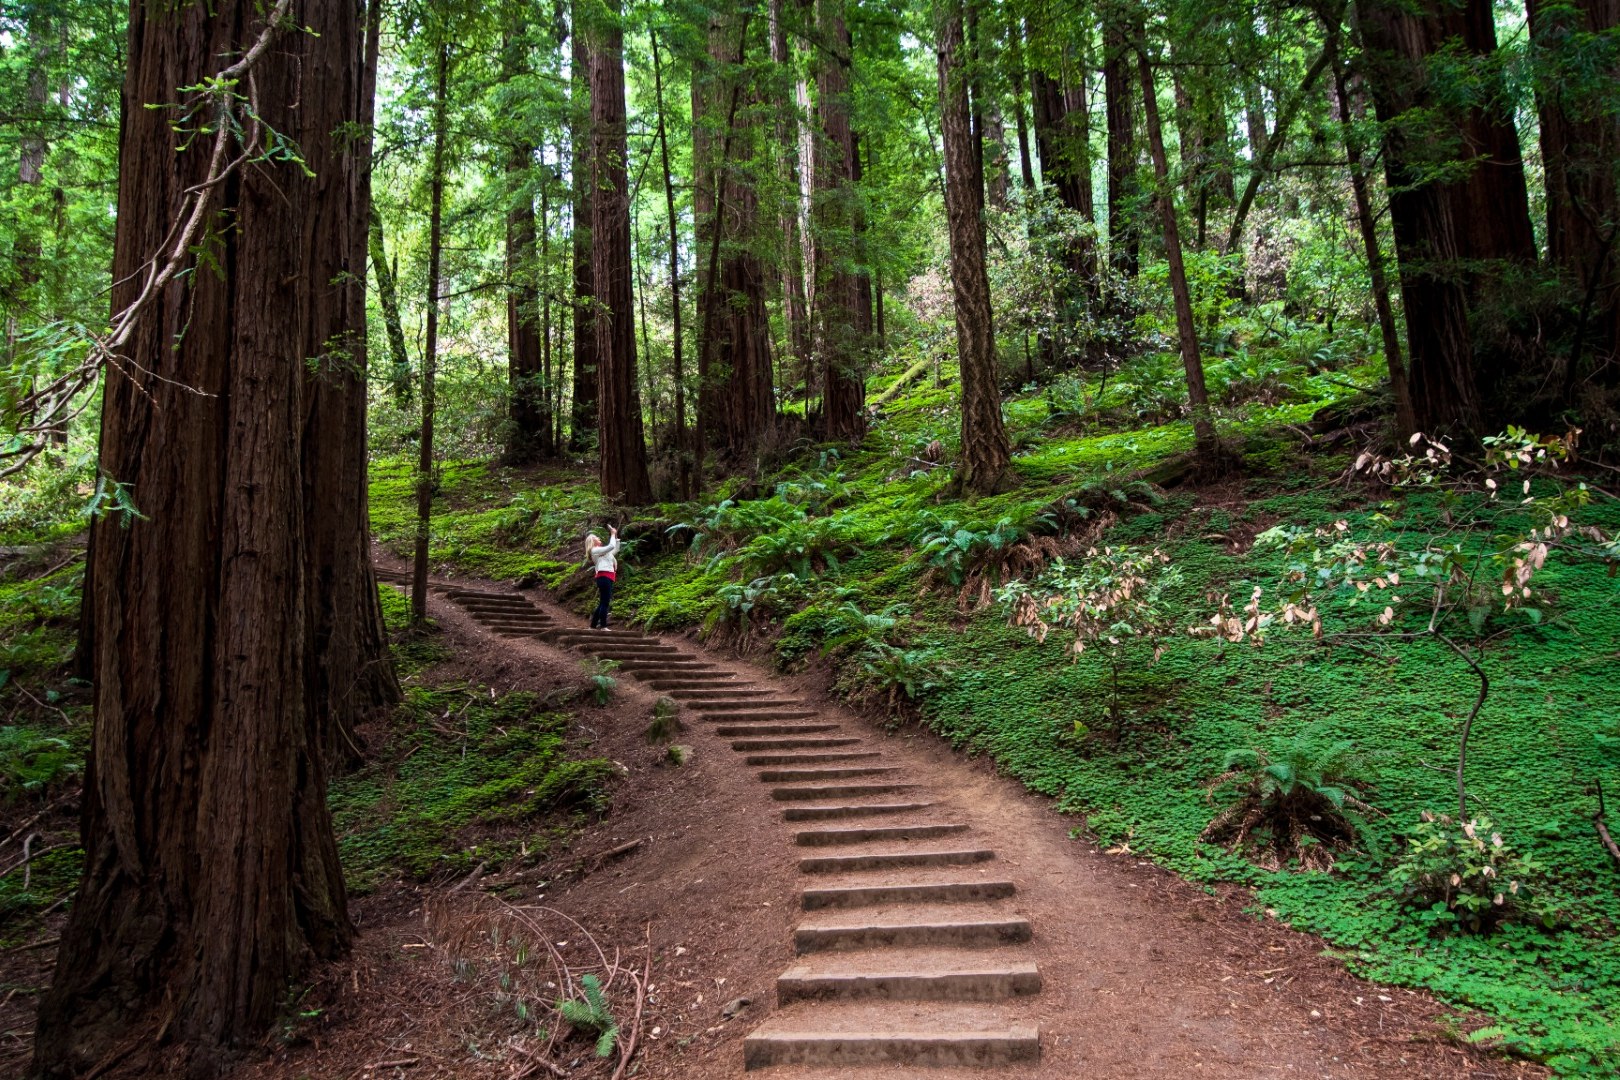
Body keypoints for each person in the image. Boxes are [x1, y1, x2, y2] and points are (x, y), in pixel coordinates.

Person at [585, 525, 620, 629]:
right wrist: (612, 534)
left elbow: (614, 550)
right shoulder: (594, 550)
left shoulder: (602, 551)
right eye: (597, 537)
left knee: (603, 602)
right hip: (603, 576)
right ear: (592, 541)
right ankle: (603, 626)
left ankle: (593, 625)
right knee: (605, 602)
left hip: (608, 576)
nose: (599, 538)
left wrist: (616, 540)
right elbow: (611, 547)